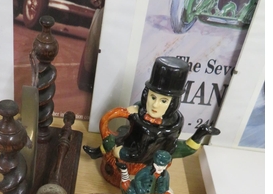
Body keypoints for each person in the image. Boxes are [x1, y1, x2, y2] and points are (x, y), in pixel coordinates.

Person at [83, 56, 220, 186]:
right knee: (113, 139)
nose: (155, 105)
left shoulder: (171, 125)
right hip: (130, 140)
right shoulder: (141, 109)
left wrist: (122, 153)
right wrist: (133, 110)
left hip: (145, 156)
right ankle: (98, 152)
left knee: (116, 149)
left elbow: (143, 153)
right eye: (153, 97)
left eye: (163, 101)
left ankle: (103, 155)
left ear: (173, 103)